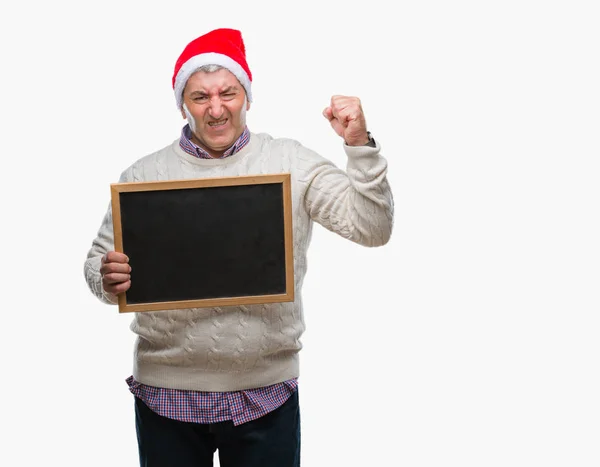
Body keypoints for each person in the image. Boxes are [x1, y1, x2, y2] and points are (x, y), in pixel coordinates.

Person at [84, 27, 394, 467]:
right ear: (182, 104)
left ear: (246, 96)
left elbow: (373, 228)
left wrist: (359, 146)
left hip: (266, 394)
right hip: (166, 395)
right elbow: (98, 264)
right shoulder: (143, 175)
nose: (215, 109)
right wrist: (105, 278)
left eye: (228, 93)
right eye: (199, 97)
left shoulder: (293, 163)